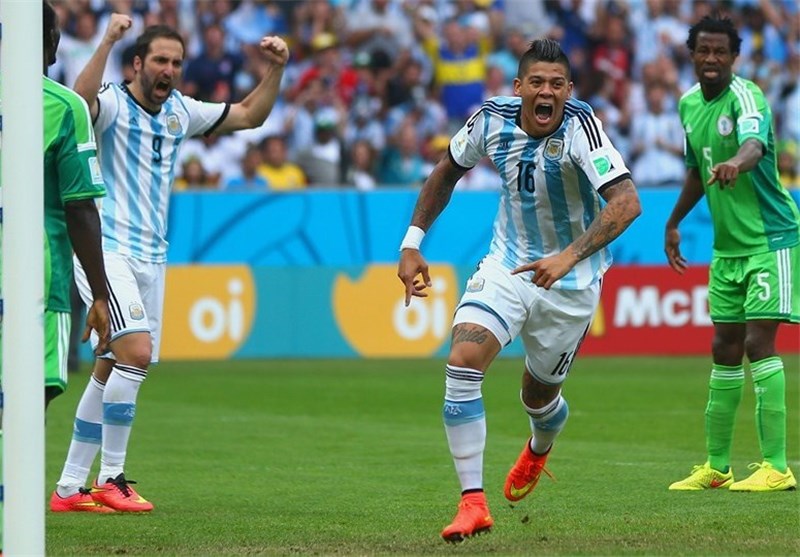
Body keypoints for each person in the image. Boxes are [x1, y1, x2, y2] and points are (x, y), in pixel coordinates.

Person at [396, 38, 641, 542]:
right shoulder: (491, 119)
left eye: (556, 84)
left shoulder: (582, 127)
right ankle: (473, 503)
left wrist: (568, 256)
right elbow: (445, 172)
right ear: (518, 87)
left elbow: (627, 202)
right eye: (536, 83)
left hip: (571, 282)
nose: (546, 92)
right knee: (463, 358)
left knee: (539, 397)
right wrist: (412, 243)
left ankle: (539, 446)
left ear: (568, 90)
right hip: (508, 266)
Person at [50, 14, 289, 513]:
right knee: (135, 352)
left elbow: (250, 115)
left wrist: (277, 69)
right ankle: (111, 477)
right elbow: (78, 101)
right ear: (137, 64)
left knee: (110, 366)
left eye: (177, 63)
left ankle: (69, 487)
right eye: (160, 60)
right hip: (106, 249)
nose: (170, 70)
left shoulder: (181, 111)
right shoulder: (112, 103)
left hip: (152, 257)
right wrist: (108, 40)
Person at [665, 15, 799, 492]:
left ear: (734, 57)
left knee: (758, 344)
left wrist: (735, 164)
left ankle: (776, 467)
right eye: (704, 50)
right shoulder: (687, 104)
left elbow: (754, 147)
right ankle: (718, 467)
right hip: (727, 249)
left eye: (720, 51)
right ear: (692, 55)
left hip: (770, 239)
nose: (712, 59)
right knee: (723, 348)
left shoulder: (747, 96)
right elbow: (695, 170)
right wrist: (673, 222)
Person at [1, 0, 112, 518]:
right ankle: (14, 523)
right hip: (38, 286)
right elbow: (80, 207)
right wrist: (100, 295)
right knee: (27, 407)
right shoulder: (64, 107)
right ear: (50, 42)